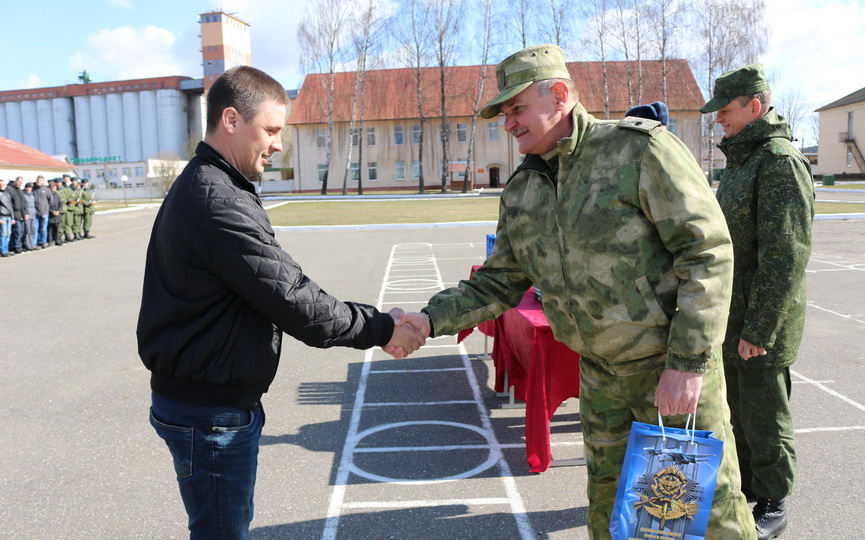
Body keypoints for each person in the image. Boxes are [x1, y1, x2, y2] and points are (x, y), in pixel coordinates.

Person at [399, 44, 756, 539]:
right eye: (504, 113)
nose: (508, 123)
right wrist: (427, 319)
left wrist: (687, 362)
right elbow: (500, 280)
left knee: (703, 515)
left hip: (668, 373)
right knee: (613, 513)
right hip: (602, 378)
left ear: (560, 95)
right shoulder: (523, 191)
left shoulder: (638, 151)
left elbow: (707, 252)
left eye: (517, 108)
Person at [136, 65, 425, 539]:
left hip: (207, 401)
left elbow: (278, 289)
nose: (277, 144)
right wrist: (382, 327)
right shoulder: (216, 198)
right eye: (270, 130)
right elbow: (293, 300)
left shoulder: (214, 185)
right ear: (231, 120)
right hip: (210, 415)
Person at [700, 64, 814, 540]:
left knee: (765, 415)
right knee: (739, 413)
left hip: (760, 321)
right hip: (735, 314)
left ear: (755, 105)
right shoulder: (744, 161)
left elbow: (785, 256)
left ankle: (773, 501)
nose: (718, 120)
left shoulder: (778, 161)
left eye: (725, 111)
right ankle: (747, 489)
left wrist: (758, 329)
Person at [7, 176, 27, 254]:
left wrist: (26, 213)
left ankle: (19, 245)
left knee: (21, 231)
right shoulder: (9, 189)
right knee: (17, 231)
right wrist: (12, 216)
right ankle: (16, 246)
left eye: (21, 183)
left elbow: (24, 203)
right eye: (19, 182)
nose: (20, 184)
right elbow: (10, 204)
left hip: (22, 214)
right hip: (15, 214)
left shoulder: (20, 191)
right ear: (15, 181)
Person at [33, 175, 51, 248]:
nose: (38, 182)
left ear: (43, 181)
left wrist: (47, 209)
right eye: (38, 180)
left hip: (44, 213)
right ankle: (34, 243)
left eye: (40, 180)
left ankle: (43, 242)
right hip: (35, 213)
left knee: (43, 228)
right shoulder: (33, 189)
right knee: (35, 229)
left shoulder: (46, 190)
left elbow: (50, 200)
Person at [47, 179, 63, 246]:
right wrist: (52, 211)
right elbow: (46, 205)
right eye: (53, 187)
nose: (54, 189)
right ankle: (50, 240)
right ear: (50, 188)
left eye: (55, 187)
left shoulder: (57, 195)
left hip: (57, 214)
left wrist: (58, 211)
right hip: (51, 214)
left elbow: (60, 204)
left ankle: (57, 240)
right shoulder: (48, 195)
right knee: (50, 229)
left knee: (57, 228)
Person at [22, 182, 37, 251]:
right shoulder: (23, 195)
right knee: (27, 231)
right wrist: (25, 214)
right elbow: (23, 206)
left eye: (30, 187)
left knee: (32, 230)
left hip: (33, 215)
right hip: (27, 215)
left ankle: (32, 244)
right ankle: (27, 244)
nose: (28, 189)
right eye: (27, 187)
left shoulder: (33, 195)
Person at [0, 179, 12, 257]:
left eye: (3, 184)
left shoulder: (7, 194)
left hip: (9, 216)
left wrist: (13, 217)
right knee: (3, 234)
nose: (2, 186)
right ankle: (2, 250)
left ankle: (6, 249)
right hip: (2, 216)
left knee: (8, 234)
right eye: (0, 184)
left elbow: (10, 206)